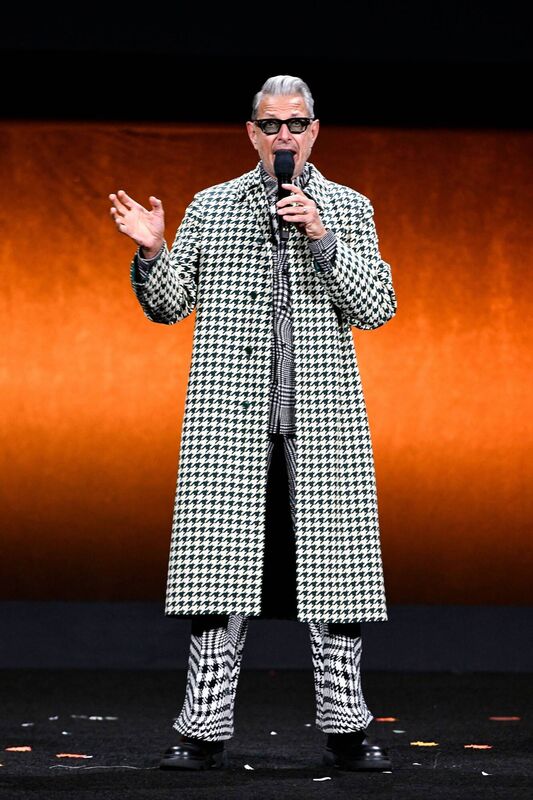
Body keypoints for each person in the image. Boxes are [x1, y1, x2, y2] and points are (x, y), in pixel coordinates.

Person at [109, 75, 397, 772]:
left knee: (337, 584)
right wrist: (152, 252)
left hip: (321, 426)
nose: (284, 136)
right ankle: (202, 732)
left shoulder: (347, 208)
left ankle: (346, 730)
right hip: (228, 428)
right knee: (218, 585)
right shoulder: (212, 207)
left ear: (315, 130)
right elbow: (169, 304)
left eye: (296, 123)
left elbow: (376, 306)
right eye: (270, 125)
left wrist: (320, 233)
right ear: (250, 132)